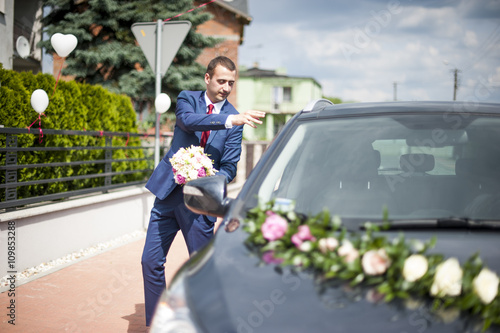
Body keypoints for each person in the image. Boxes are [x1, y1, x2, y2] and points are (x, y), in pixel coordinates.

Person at [141, 56, 265, 327]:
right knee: (150, 262)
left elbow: (230, 167)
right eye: (221, 81)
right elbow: (187, 122)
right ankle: (155, 324)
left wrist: (208, 177)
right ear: (207, 78)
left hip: (200, 204)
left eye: (231, 83)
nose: (226, 87)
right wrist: (229, 120)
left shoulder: (235, 120)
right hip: (168, 195)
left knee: (201, 270)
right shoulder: (188, 99)